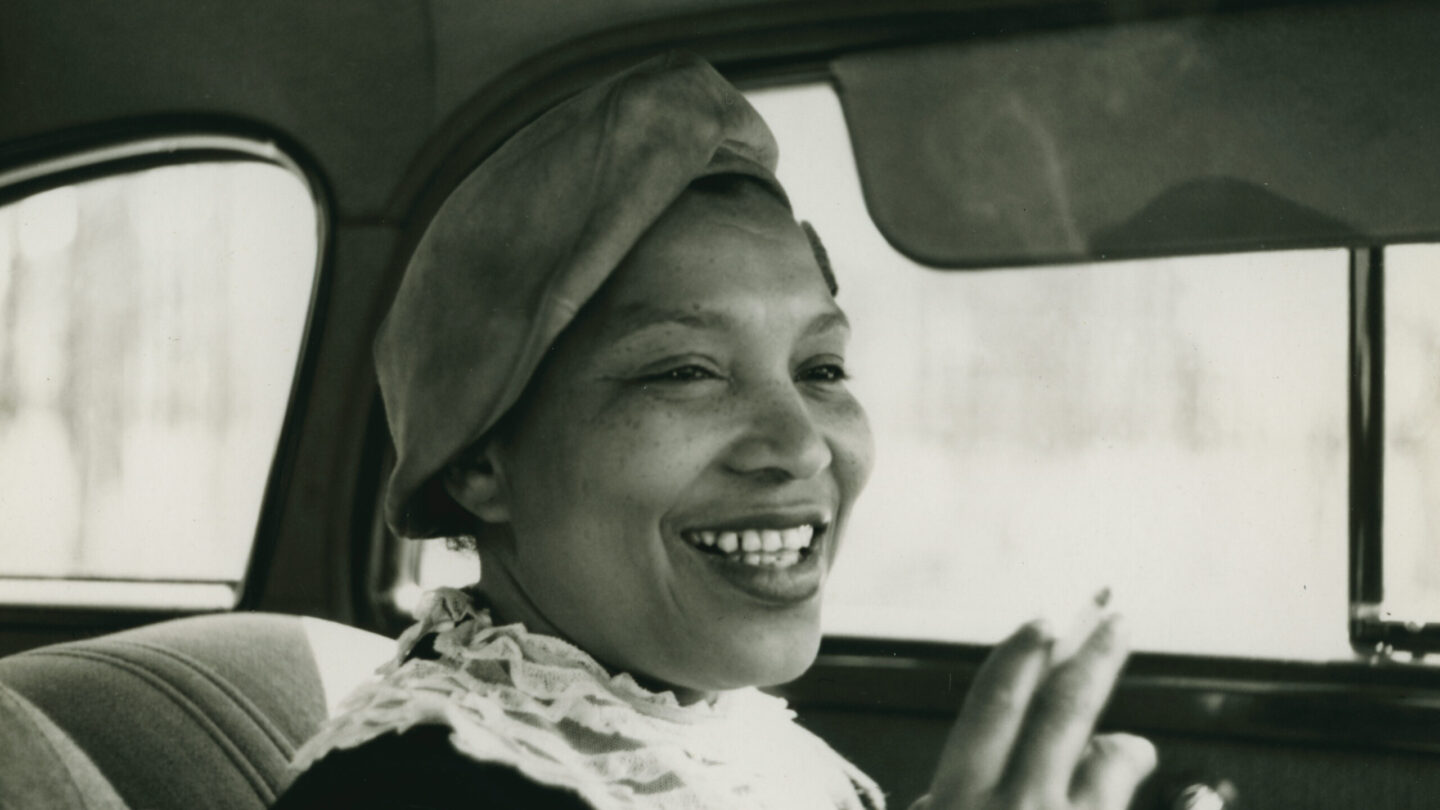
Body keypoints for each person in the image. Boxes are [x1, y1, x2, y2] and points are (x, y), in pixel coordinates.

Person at [275, 52, 1156, 810]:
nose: (802, 446)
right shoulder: (406, 791)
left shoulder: (730, 749)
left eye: (822, 370)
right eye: (686, 372)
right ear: (479, 460)